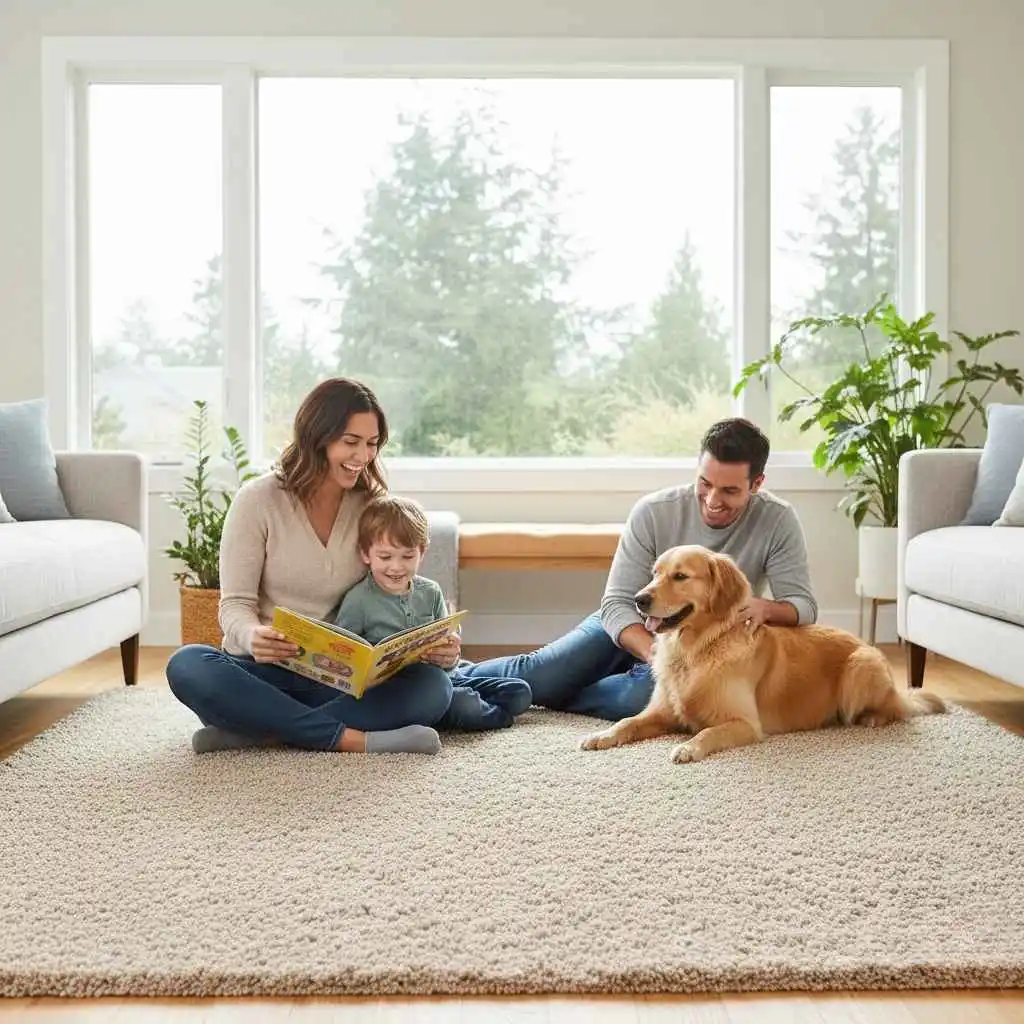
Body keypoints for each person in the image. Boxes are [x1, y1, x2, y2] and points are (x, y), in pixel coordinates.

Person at [165, 377, 460, 755]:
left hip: (342, 681)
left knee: (433, 686)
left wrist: (437, 649)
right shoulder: (257, 501)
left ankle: (261, 731)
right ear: (316, 436)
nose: (363, 456)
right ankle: (351, 738)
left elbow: (395, 587)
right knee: (188, 665)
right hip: (264, 674)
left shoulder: (372, 505)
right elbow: (235, 604)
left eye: (372, 443)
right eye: (351, 442)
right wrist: (253, 636)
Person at [459, 417, 819, 721]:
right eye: (705, 483)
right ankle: (451, 679)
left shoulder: (777, 520)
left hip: (696, 646)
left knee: (635, 700)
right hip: (632, 625)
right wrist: (654, 653)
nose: (712, 500)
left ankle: (556, 694)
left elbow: (803, 604)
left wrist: (767, 608)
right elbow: (616, 603)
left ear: (757, 484)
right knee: (541, 673)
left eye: (729, 491)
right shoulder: (655, 510)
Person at [335, 494, 533, 731]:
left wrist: (450, 655)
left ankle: (450, 709)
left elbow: (449, 654)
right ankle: (472, 712)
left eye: (408, 556)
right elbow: (345, 659)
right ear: (365, 554)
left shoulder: (431, 591)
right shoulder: (358, 600)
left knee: (520, 692)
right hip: (403, 691)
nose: (396, 567)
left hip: (445, 677)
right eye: (385, 557)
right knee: (467, 705)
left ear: (422, 552)